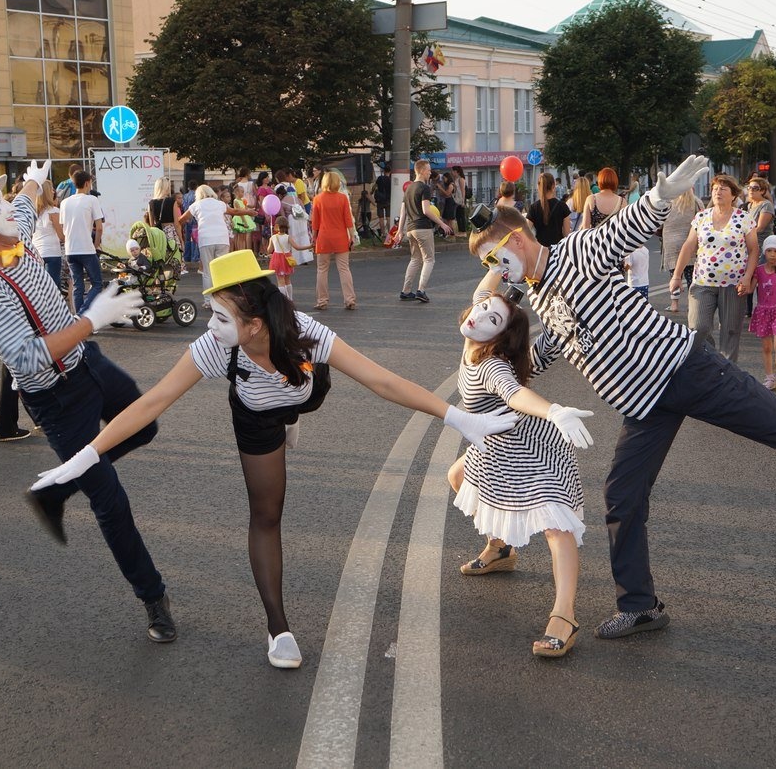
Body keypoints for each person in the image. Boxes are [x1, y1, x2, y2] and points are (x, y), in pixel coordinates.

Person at [468, 155, 776, 640]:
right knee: (622, 496)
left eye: (493, 256)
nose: (493, 269)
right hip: (644, 405)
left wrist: (657, 197)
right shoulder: (542, 295)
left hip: (687, 371)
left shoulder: (573, 254)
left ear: (519, 239)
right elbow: (551, 348)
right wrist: (488, 363)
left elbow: (619, 234)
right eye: (486, 263)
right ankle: (641, 605)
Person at [30, 249, 516, 668]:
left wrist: (458, 417)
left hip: (303, 390)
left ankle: (294, 416)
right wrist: (86, 456)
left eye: (221, 317)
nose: (209, 326)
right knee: (266, 513)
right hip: (256, 414)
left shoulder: (305, 332)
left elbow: (381, 380)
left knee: (309, 392)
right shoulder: (217, 349)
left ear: (255, 324)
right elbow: (153, 401)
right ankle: (278, 627)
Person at [0, 160, 174, 642]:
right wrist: (92, 318)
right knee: (110, 499)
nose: (7, 206)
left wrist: (35, 178)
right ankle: (153, 598)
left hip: (91, 364)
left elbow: (24, 200)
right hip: (57, 399)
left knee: (145, 426)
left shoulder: (11, 229)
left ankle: (59, 487)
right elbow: (24, 358)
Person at [447, 275, 593, 658]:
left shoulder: (492, 367)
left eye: (492, 319)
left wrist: (554, 410)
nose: (479, 316)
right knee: (458, 476)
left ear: (499, 338)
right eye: (480, 309)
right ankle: (501, 548)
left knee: (555, 526)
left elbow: (516, 393)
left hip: (532, 449)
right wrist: (502, 258)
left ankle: (565, 615)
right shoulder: (476, 327)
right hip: (495, 446)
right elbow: (486, 288)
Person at [670, 174, 756, 363]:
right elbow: (689, 245)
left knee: (730, 332)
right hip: (703, 282)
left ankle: (727, 373)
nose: (718, 192)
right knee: (698, 328)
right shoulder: (701, 217)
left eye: (723, 189)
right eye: (715, 188)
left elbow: (753, 250)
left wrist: (748, 277)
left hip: (734, 285)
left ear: (733, 195)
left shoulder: (744, 218)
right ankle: (709, 363)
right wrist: (676, 275)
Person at [399, 159, 453, 303]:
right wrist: (442, 224)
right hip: (423, 227)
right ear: (422, 171)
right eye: (428, 170)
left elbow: (403, 212)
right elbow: (426, 210)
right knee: (429, 259)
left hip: (410, 229)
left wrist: (400, 231)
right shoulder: (424, 188)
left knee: (415, 259)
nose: (430, 173)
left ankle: (405, 291)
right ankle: (421, 290)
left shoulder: (409, 188)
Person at [750, 236, 776, 393]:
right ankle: (770, 378)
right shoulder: (759, 271)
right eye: (769, 251)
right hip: (763, 312)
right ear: (764, 252)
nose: (773, 254)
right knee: (767, 347)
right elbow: (750, 289)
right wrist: (742, 287)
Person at [311, 171, 356, 310]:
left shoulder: (318, 199)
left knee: (322, 269)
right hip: (340, 237)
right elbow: (348, 220)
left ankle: (322, 300)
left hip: (324, 237)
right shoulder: (342, 198)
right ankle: (349, 299)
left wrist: (314, 237)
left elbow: (315, 222)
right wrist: (352, 236)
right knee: (344, 269)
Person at [61, 170, 105, 312]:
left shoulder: (64, 202)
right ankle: (82, 312)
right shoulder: (92, 200)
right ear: (87, 183)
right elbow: (99, 228)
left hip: (70, 250)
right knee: (97, 284)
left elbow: (63, 228)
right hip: (86, 248)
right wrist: (96, 245)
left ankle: (78, 320)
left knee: (78, 286)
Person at [181, 184, 235, 294]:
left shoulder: (196, 205)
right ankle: (223, 296)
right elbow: (235, 212)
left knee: (207, 271)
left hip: (206, 240)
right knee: (221, 269)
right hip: (222, 238)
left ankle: (208, 299)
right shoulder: (220, 204)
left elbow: (182, 219)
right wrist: (250, 212)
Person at [661, 186, 703, 313]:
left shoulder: (668, 203)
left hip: (671, 243)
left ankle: (674, 304)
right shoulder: (696, 201)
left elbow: (660, 220)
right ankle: (692, 305)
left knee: (675, 275)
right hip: (690, 243)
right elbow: (702, 219)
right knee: (691, 277)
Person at [744, 176, 776, 317]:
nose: (751, 191)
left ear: (763, 190)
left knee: (761, 277)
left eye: (755, 188)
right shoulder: (749, 205)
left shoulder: (766, 205)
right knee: (749, 275)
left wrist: (743, 235)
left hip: (762, 245)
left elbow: (760, 227)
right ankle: (747, 310)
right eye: (749, 187)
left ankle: (764, 308)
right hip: (748, 245)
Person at [267, 215, 311, 302]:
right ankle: (290, 299)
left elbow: (269, 250)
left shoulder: (273, 237)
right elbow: (297, 247)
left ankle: (283, 300)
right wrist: (309, 246)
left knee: (280, 280)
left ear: (276, 226)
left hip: (277, 258)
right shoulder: (288, 237)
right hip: (287, 258)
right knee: (287, 279)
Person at [32, 179, 65, 289]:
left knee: (40, 287)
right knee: (53, 287)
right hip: (52, 252)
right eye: (51, 189)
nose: (53, 191)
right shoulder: (53, 211)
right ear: (47, 192)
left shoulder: (33, 212)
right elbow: (61, 236)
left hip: (36, 252)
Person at [527, 171, 570, 247]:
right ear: (553, 186)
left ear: (539, 186)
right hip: (558, 250)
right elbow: (567, 233)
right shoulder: (562, 206)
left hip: (540, 250)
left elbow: (526, 230)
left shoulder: (533, 207)